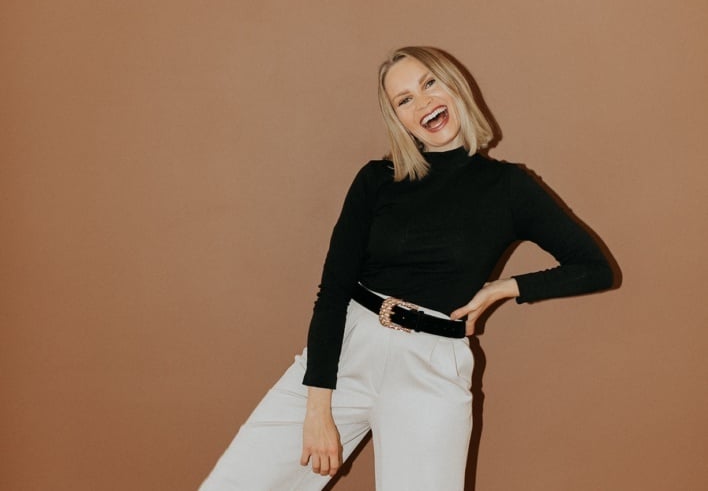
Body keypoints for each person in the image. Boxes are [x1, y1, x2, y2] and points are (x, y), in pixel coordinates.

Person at [199, 46, 614, 491]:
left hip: (432, 368)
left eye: (429, 83)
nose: (422, 102)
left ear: (455, 85)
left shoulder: (510, 187)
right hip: (347, 351)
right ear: (399, 119)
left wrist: (502, 288)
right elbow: (333, 291)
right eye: (404, 100)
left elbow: (594, 268)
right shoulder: (377, 180)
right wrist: (319, 408)